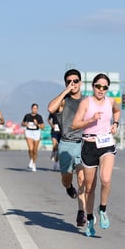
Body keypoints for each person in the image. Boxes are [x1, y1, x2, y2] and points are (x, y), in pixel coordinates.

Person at [72, 73, 121, 237]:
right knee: (89, 187)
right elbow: (75, 124)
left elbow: (117, 111)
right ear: (93, 86)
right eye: (98, 86)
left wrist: (115, 124)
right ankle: (90, 219)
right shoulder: (86, 103)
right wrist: (90, 120)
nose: (101, 89)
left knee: (106, 179)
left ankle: (103, 209)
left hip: (106, 143)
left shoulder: (110, 101)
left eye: (105, 87)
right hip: (89, 145)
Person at [47, 69, 86, 227]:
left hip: (83, 144)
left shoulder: (86, 101)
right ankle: (69, 187)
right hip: (66, 144)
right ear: (66, 83)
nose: (73, 84)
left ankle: (81, 212)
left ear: (80, 82)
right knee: (66, 179)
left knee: (83, 179)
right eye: (69, 81)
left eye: (75, 81)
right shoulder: (64, 101)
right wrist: (65, 91)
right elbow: (50, 108)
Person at [21, 103, 45, 172]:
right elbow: (22, 123)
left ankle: (34, 164)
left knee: (35, 150)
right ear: (31, 108)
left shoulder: (39, 117)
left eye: (36, 108)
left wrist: (37, 124)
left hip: (36, 133)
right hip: (29, 132)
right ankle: (31, 160)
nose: (34, 110)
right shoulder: (27, 115)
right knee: (30, 149)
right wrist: (25, 124)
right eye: (33, 108)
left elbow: (43, 127)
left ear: (37, 109)